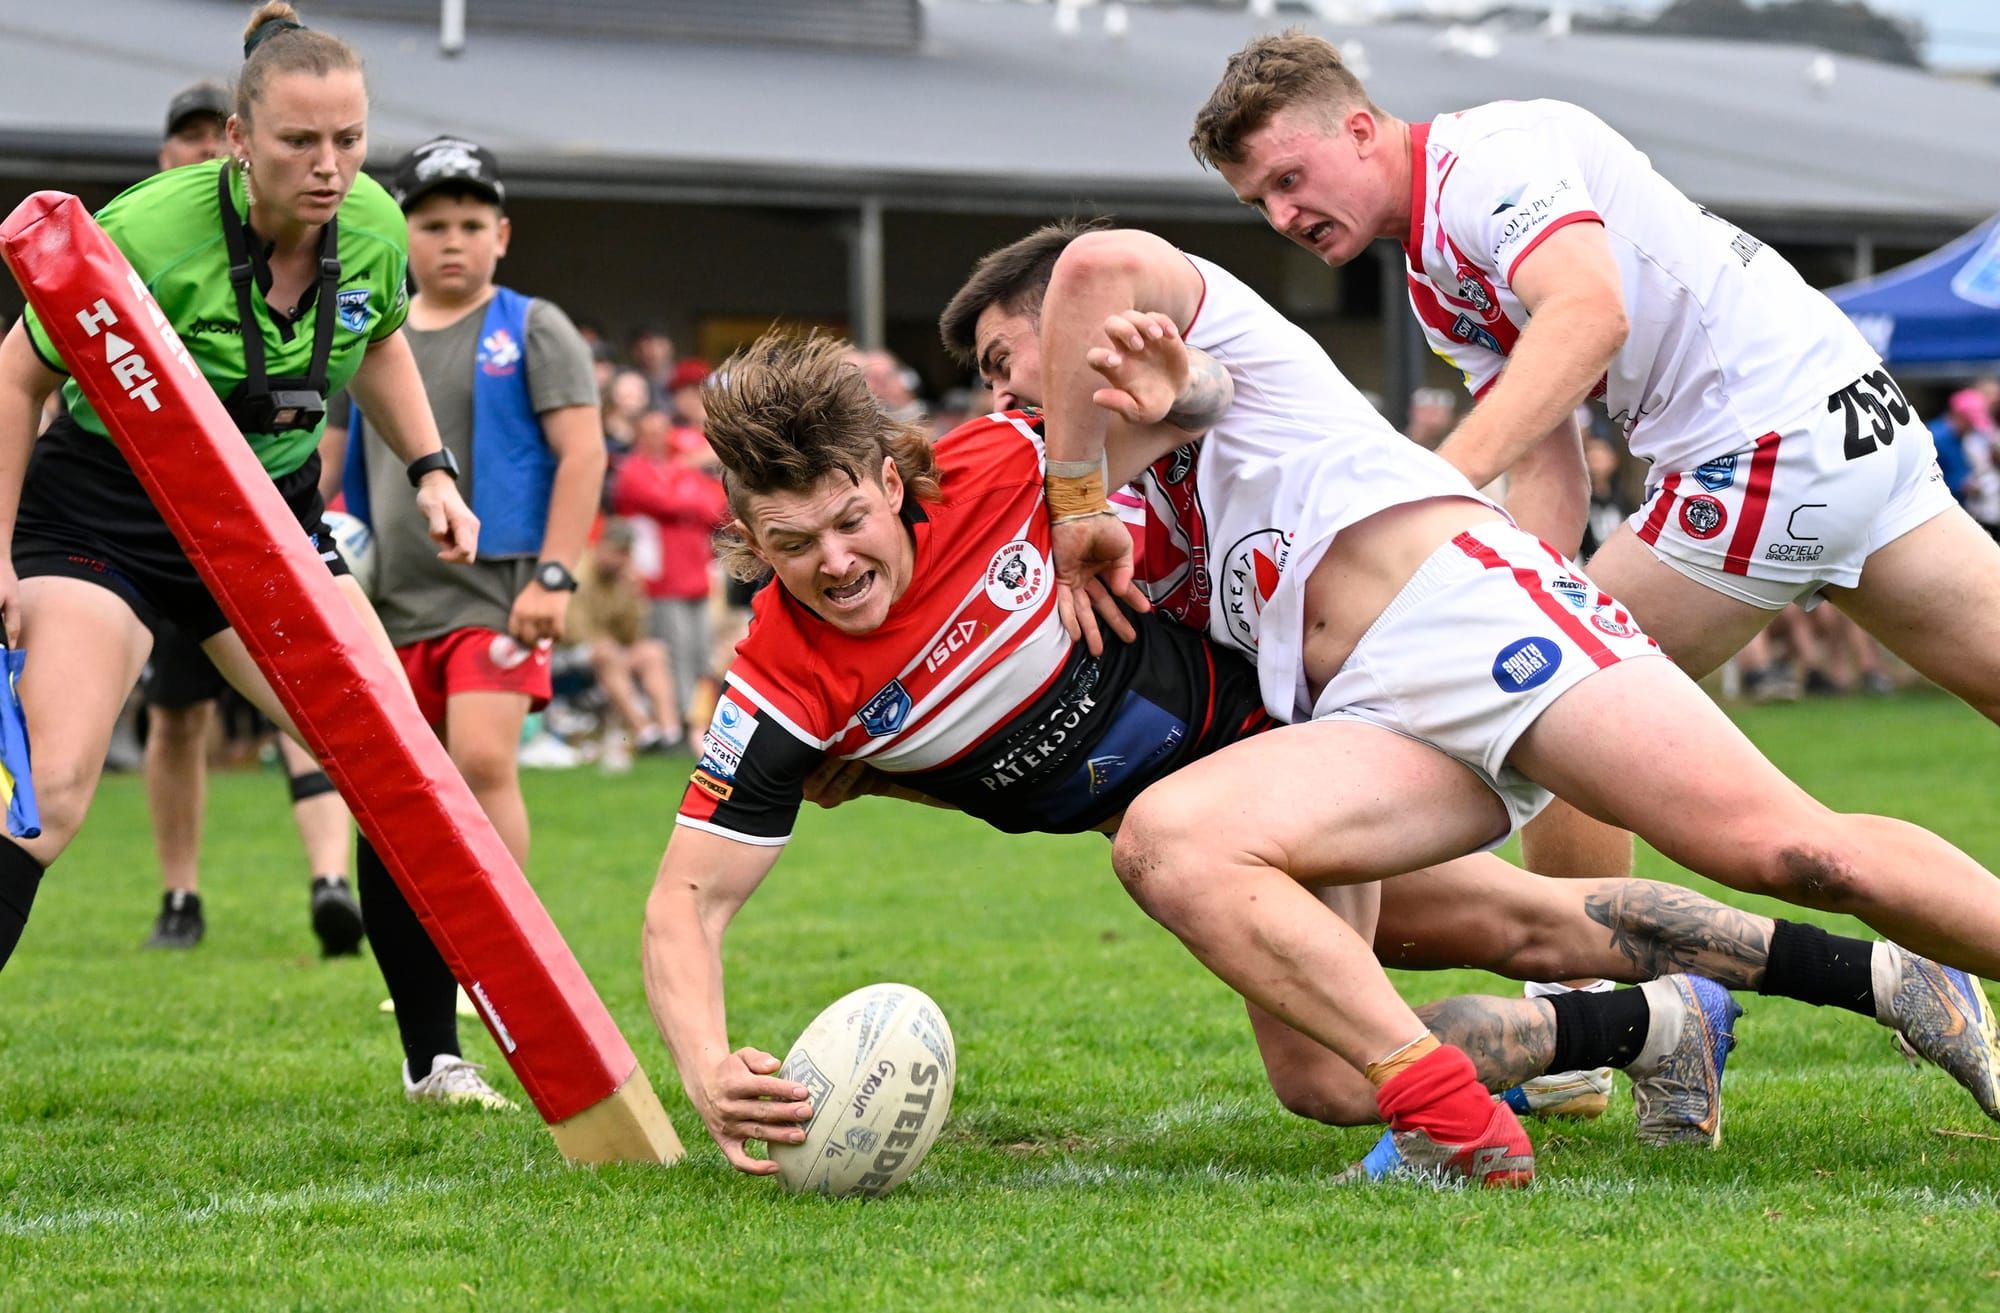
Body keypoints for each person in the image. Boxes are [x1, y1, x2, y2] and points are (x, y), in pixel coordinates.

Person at [641, 335, 2000, 1188]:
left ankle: (1484, 1114)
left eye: (848, 522)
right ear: (748, 536)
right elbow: (684, 900)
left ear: (891, 472)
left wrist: (1096, 477)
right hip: (1250, 816)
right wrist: (703, 1061)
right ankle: (1785, 996)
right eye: (790, 542)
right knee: (1518, 926)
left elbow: (1224, 399)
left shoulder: (1009, 464)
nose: (834, 563)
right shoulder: (778, 689)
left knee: (1329, 1050)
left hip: (1299, 735)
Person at [941, 220, 2000, 1168]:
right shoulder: (1094, 495)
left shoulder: (1165, 369)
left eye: (1002, 359)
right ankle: (1656, 1026)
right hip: (1352, 716)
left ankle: (1895, 974)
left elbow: (1098, 267)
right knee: (1319, 1068)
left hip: (1466, 620)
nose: (995, 396)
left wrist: (1088, 475)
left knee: (1792, 852)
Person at [1189, 32, 2000, 887]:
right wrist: (1496, 583)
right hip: (1850, 418)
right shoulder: (1435, 279)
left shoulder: (1485, 161)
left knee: (1563, 703)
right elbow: (1549, 464)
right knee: (1555, 652)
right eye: (1259, 204)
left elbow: (1588, 313)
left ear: (1358, 130)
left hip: (1768, 445)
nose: (1283, 217)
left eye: (1288, 180)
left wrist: (1422, 486)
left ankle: (1589, 1007)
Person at [0, 4, 510, 1110]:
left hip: (266, 523)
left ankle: (435, 1060)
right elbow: (17, 378)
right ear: (238, 136)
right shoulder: (146, 230)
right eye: (298, 143)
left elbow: (372, 338)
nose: (328, 168)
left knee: (397, 763)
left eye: (349, 141)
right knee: (52, 788)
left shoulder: (376, 224)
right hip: (106, 513)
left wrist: (431, 467)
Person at [140, 77, 364, 954]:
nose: (201, 150)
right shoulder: (152, 242)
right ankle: (179, 896)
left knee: (312, 691)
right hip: (156, 519)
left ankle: (330, 880)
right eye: (186, 138)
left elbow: (342, 379)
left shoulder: (319, 247)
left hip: (267, 515)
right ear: (170, 156)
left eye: (212, 136)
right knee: (177, 712)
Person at [338, 134, 605, 870]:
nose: (452, 242)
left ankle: (500, 977)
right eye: (431, 226)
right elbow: (326, 458)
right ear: (399, 232)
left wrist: (555, 575)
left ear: (502, 235)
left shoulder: (532, 326)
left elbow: (583, 454)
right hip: (390, 597)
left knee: (483, 764)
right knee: (405, 788)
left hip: (500, 593)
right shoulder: (361, 329)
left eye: (471, 225)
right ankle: (432, 970)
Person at [612, 405, 725, 744]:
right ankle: (676, 724)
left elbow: (716, 506)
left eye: (663, 429)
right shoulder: (633, 470)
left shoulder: (678, 469)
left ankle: (701, 722)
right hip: (661, 579)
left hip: (696, 575)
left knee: (702, 652)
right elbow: (667, 502)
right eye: (650, 430)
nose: (658, 437)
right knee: (674, 654)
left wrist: (685, 494)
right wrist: (687, 493)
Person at [565, 518, 682, 765]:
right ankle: (644, 731)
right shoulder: (579, 573)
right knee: (606, 652)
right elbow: (574, 632)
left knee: (653, 651)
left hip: (612, 653)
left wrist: (634, 596)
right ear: (600, 545)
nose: (620, 559)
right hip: (566, 655)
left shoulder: (624, 580)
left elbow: (633, 636)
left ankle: (670, 733)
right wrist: (612, 647)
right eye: (616, 551)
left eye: (625, 553)